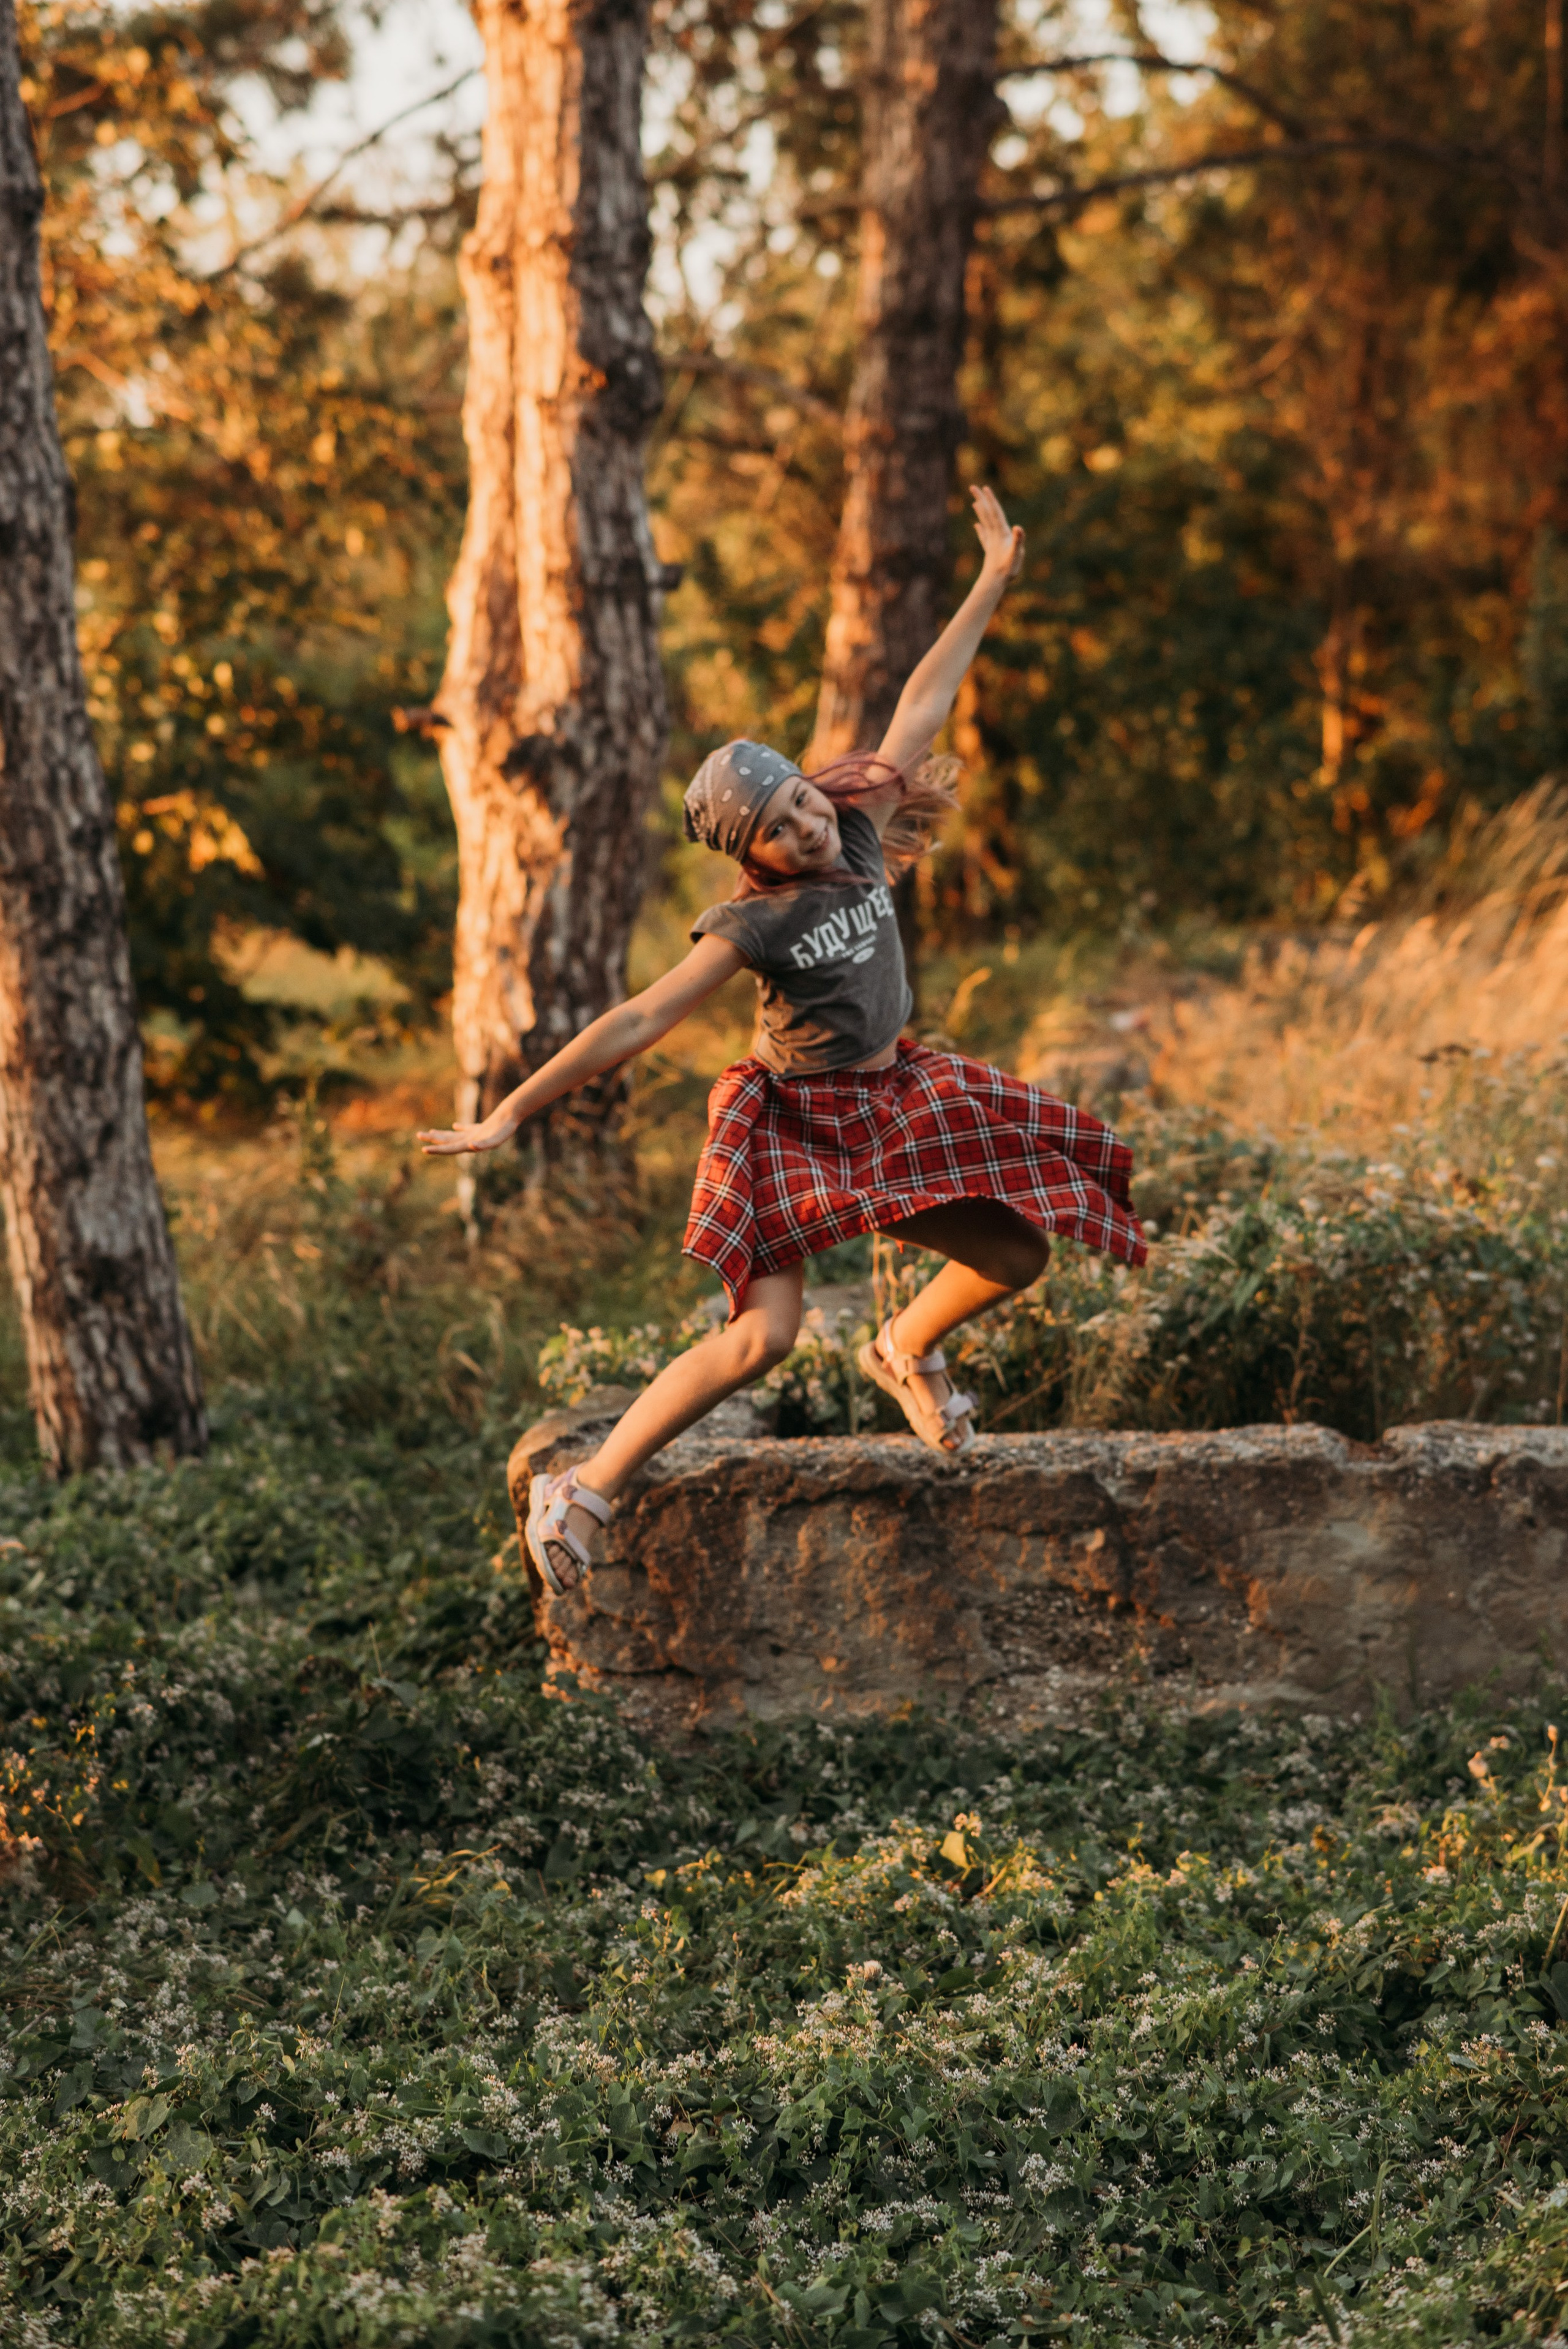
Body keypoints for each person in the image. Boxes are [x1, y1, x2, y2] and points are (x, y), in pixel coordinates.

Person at [418, 487, 1146, 1595]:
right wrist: (510, 1113)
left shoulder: (855, 828)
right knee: (761, 1341)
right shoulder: (753, 922)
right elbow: (640, 1016)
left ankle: (904, 1347)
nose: (810, 825)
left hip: (894, 1097)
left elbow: (922, 702)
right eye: (782, 829)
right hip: (795, 1126)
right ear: (749, 853)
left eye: (804, 802)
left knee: (1018, 1251)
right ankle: (590, 1487)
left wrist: (990, 581)